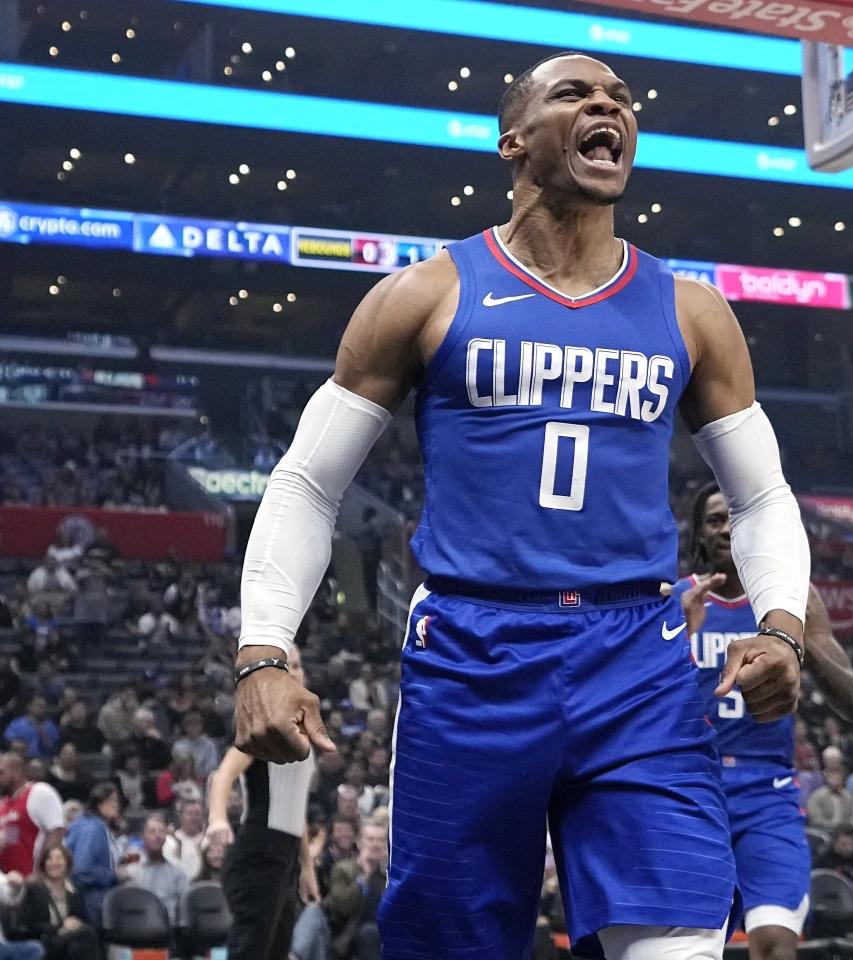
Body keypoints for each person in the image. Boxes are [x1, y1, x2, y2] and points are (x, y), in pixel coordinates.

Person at [231, 50, 810, 960]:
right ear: (514, 140)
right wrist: (263, 649)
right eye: (576, 93)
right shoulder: (428, 293)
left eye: (621, 98)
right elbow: (309, 480)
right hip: (474, 651)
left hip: (638, 658)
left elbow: (764, 495)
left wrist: (782, 626)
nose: (608, 106)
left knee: (681, 942)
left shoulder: (692, 310)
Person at [676, 483, 853, 960]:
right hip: (692, 784)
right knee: (690, 945)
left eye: (735, 516)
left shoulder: (795, 597)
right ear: (700, 535)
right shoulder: (677, 598)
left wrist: (797, 640)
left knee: (776, 942)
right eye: (715, 520)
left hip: (767, 789)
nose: (727, 528)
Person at [207, 650, 317, 960]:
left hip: (286, 856)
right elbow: (224, 773)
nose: (294, 672)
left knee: (277, 951)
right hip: (258, 852)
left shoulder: (305, 730)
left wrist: (306, 867)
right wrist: (217, 818)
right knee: (252, 951)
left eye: (298, 664)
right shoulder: (262, 725)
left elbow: (297, 806)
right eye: (286, 666)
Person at [16, 844, 102, 960]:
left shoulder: (75, 889)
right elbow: (29, 925)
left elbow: (82, 919)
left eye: (59, 858)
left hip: (72, 940)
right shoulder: (34, 889)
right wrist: (60, 926)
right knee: (87, 934)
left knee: (78, 944)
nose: (54, 863)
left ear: (67, 863)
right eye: (49, 859)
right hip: (44, 940)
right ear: (44, 864)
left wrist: (73, 927)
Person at [324, 821, 388, 960]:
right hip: (351, 933)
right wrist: (365, 876)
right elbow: (343, 907)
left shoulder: (390, 875)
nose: (376, 844)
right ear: (359, 843)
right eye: (370, 839)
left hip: (386, 933)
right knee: (370, 933)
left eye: (381, 840)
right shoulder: (343, 869)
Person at [61, 785, 119, 927]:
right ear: (100, 802)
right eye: (113, 800)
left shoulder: (86, 824)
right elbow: (82, 870)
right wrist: (115, 875)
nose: (116, 805)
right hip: (91, 901)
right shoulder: (92, 827)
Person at [0, 755, 64, 878]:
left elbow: (57, 831)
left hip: (34, 880)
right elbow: (14, 839)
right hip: (11, 883)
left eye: (1, 772)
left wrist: (41, 873)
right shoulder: (4, 805)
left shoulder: (39, 792)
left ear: (17, 772)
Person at [129, 813, 188, 924]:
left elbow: (185, 905)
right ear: (142, 836)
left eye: (161, 831)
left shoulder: (177, 869)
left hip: (169, 930)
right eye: (152, 831)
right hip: (137, 929)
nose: (157, 835)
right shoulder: (131, 866)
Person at [161, 798, 205, 880]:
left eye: (197, 813)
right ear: (180, 817)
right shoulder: (171, 840)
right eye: (189, 814)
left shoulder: (207, 839)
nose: (194, 817)